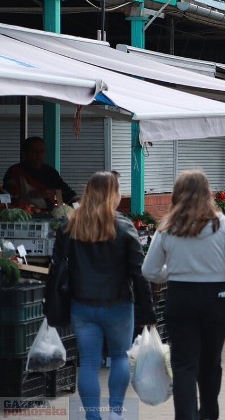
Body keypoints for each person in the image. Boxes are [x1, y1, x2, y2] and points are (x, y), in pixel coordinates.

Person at [142, 169, 225, 420]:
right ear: (207, 193)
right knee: (210, 362)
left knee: (183, 363)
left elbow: (149, 270)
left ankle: (186, 416)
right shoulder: (221, 224)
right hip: (216, 298)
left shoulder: (167, 227)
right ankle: (209, 413)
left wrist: (172, 273)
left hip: (180, 297)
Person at [60, 171, 155, 420]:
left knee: (89, 363)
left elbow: (58, 266)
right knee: (119, 357)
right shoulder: (124, 227)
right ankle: (115, 412)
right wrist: (148, 311)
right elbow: (139, 272)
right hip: (119, 305)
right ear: (112, 194)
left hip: (82, 305)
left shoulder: (72, 225)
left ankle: (92, 416)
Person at [3, 136, 79, 209]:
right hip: (23, 217)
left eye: (42, 151)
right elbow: (6, 196)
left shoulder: (51, 172)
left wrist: (79, 207)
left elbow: (66, 192)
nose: (39, 155)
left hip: (49, 217)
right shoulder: (15, 172)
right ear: (25, 153)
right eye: (34, 151)